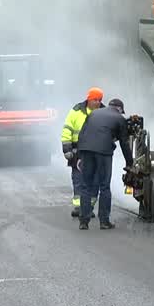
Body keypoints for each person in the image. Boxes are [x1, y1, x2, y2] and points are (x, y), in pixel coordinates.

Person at [75, 97, 132, 230]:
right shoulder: (119, 118)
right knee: (104, 186)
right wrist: (130, 163)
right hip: (103, 152)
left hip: (86, 150)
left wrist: (79, 156)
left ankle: (83, 221)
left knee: (85, 186)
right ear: (119, 109)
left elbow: (82, 134)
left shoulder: (94, 113)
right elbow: (124, 143)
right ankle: (104, 221)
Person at [60, 88, 102, 217]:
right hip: (77, 150)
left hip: (96, 150)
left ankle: (89, 206)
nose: (98, 102)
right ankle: (79, 207)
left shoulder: (102, 112)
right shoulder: (76, 111)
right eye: (95, 100)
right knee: (78, 178)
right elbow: (67, 129)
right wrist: (66, 149)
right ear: (89, 99)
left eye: (100, 100)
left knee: (95, 180)